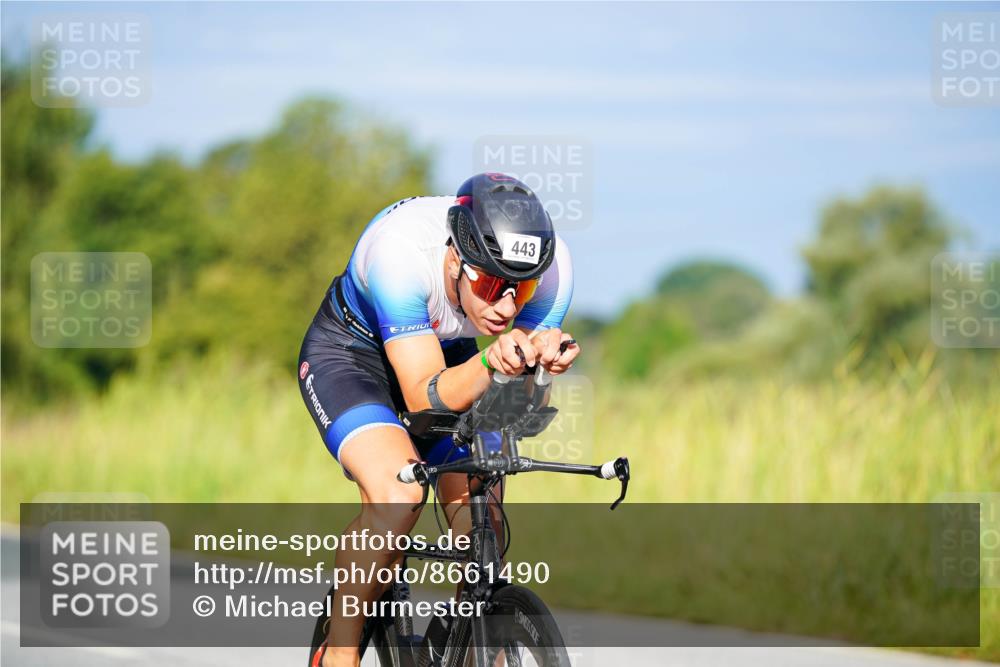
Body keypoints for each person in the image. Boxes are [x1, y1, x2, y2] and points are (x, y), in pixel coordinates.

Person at [299, 172, 578, 667]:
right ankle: (339, 652)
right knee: (398, 494)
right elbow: (425, 396)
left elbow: (517, 415)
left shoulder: (553, 274)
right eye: (492, 284)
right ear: (456, 257)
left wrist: (540, 370)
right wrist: (492, 362)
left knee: (482, 513)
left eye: (522, 288)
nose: (507, 306)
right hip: (352, 355)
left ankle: (469, 644)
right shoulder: (400, 255)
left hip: (451, 356)